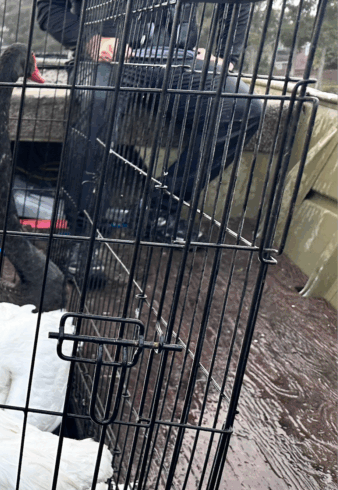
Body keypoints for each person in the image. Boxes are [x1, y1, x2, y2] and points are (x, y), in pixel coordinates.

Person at [37, 0, 263, 282]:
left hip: (176, 61)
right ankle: (82, 236)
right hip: (104, 60)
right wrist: (90, 40)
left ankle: (157, 210)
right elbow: (49, 8)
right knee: (98, 105)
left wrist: (226, 55)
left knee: (244, 108)